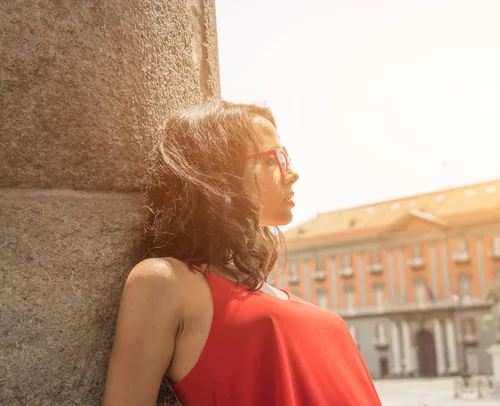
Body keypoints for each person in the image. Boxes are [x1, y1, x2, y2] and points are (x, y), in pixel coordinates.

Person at [102, 101, 382, 406]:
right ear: (218, 169)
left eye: (284, 157)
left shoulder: (263, 288)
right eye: (272, 159)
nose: (292, 173)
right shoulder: (164, 280)